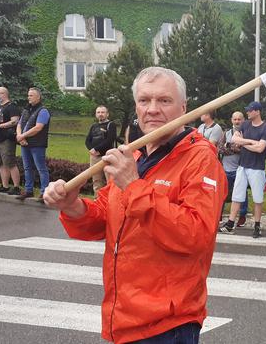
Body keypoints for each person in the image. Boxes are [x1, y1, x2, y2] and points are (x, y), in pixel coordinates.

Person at [43, 66, 227, 344]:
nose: (152, 109)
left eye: (164, 100)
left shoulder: (200, 159)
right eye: (144, 100)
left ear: (183, 107)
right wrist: (73, 206)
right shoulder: (136, 155)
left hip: (167, 324)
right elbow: (107, 214)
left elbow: (195, 235)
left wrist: (133, 185)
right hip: (123, 315)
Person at [219, 101, 266, 238]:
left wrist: (245, 143)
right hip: (242, 166)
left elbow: (260, 149)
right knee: (237, 196)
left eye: (250, 110)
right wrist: (252, 142)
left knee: (257, 198)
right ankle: (230, 224)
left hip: (257, 168)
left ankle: (257, 226)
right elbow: (235, 139)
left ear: (257, 112)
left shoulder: (265, 128)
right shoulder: (245, 124)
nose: (247, 112)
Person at [16, 87, 51, 201]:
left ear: (38, 97)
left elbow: (38, 127)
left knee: (41, 168)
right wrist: (20, 136)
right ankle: (28, 190)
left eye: (31, 95)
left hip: (37, 144)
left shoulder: (43, 111)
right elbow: (19, 124)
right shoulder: (26, 110)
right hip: (25, 143)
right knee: (27, 168)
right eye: (28, 95)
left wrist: (23, 136)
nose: (28, 97)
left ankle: (44, 192)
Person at [217, 111, 248, 226]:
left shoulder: (246, 133)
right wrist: (235, 146)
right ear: (231, 120)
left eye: (239, 119)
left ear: (243, 120)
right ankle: (218, 215)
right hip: (226, 169)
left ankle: (242, 217)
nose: (237, 121)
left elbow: (245, 149)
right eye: (235, 119)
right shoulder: (226, 133)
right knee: (222, 194)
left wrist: (228, 146)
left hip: (240, 169)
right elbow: (220, 148)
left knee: (242, 195)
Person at [0, 87, 21, 195]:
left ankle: (16, 187)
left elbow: (15, 121)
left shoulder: (11, 107)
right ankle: (5, 185)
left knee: (10, 163)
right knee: (1, 164)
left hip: (6, 140)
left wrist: (0, 125)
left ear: (4, 94)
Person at [85, 105, 117, 194]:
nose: (100, 114)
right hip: (94, 157)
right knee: (96, 180)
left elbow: (110, 140)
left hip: (107, 156)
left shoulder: (111, 125)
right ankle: (97, 200)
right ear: (96, 114)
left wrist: (96, 149)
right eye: (98, 112)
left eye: (103, 112)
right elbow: (87, 140)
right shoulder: (93, 126)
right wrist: (91, 149)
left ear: (107, 114)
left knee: (110, 181)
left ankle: (110, 201)